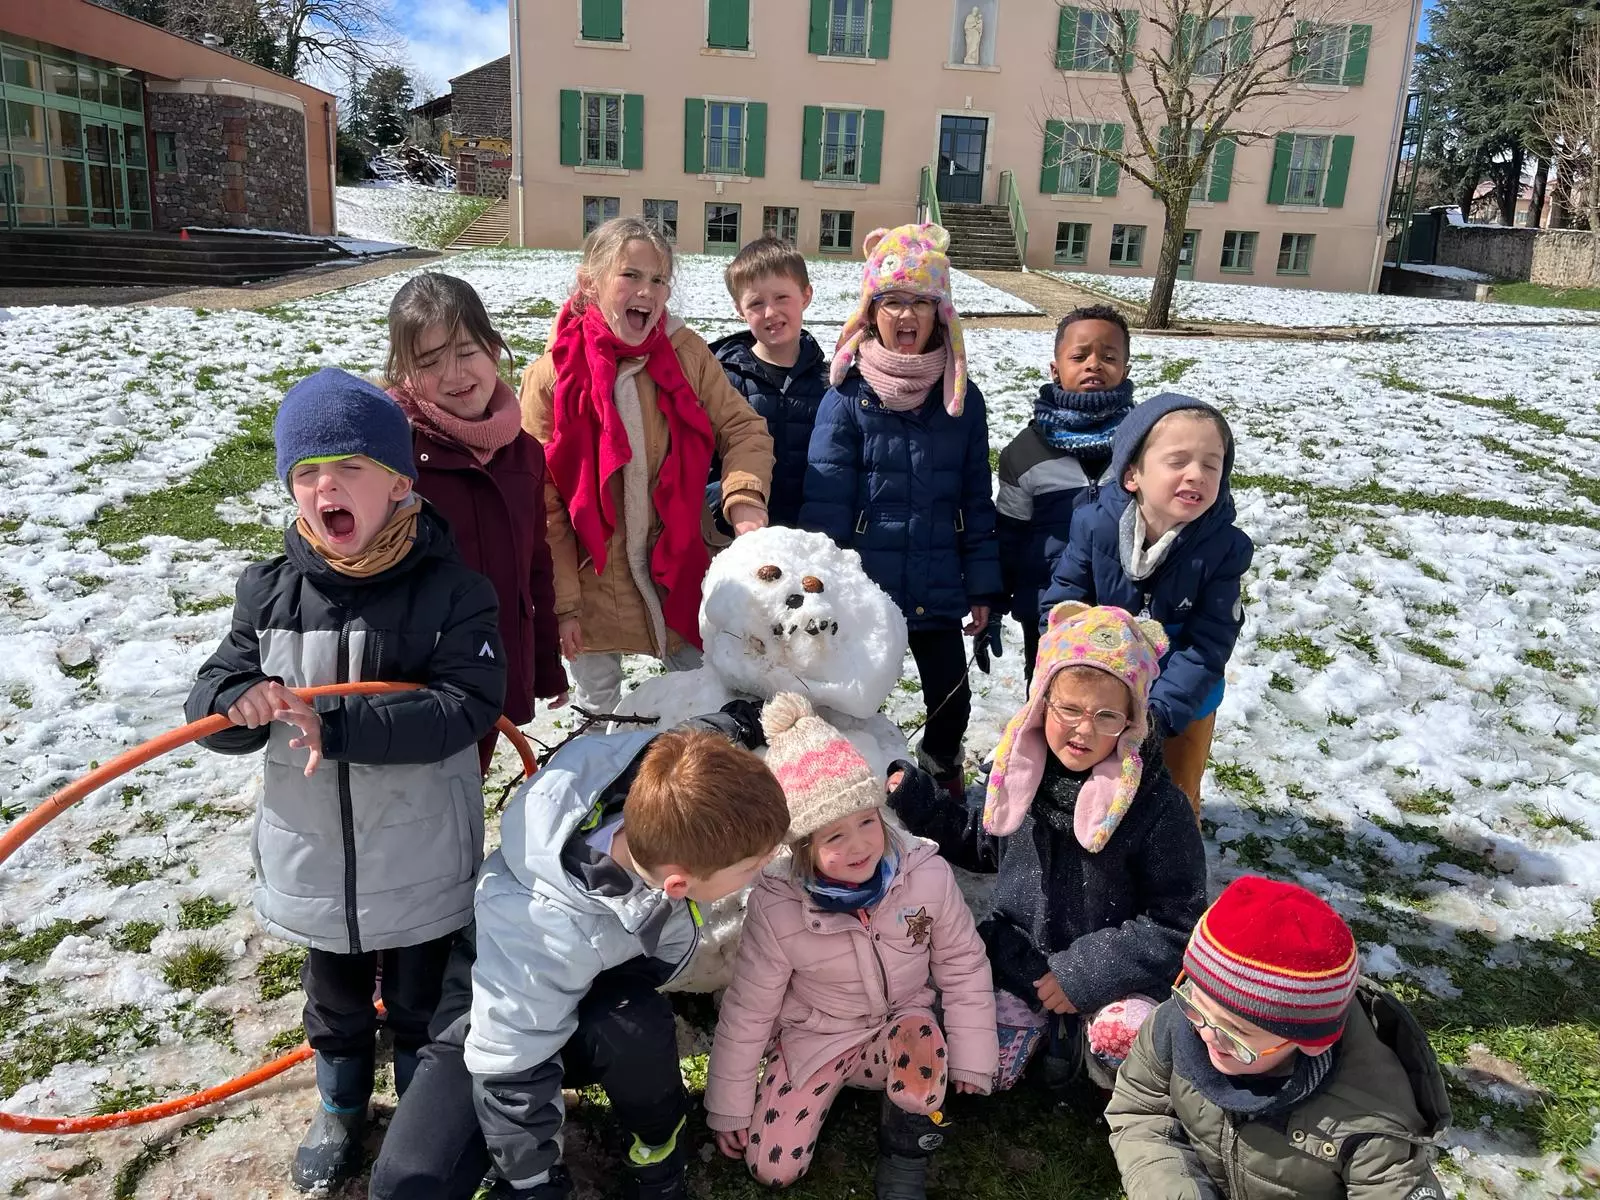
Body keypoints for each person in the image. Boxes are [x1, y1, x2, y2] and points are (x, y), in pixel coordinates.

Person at [184, 368, 506, 1191]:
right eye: (306, 472)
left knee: (417, 998)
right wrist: (237, 700)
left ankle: (422, 1105)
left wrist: (337, 724)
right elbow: (209, 700)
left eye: (350, 467)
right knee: (332, 999)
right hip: (315, 852)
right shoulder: (268, 592)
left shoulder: (454, 592)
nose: (326, 486)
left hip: (420, 847)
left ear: (400, 482)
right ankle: (339, 1099)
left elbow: (465, 707)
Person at [367, 705, 791, 1200]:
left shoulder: (654, 778)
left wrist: (738, 720)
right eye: (749, 869)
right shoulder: (540, 932)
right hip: (498, 1025)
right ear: (677, 886)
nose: (761, 876)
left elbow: (689, 748)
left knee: (633, 1024)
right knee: (409, 1185)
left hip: (594, 991)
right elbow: (511, 1070)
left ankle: (657, 1153)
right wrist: (533, 1182)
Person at [890, 603, 1206, 1097]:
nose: (1083, 730)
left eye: (1106, 716)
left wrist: (1082, 974)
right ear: (1042, 705)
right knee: (977, 1067)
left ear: (1132, 722)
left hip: (1114, 976)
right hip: (1021, 961)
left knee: (1127, 1041)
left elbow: (1176, 921)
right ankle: (1041, 1037)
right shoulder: (1022, 779)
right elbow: (983, 842)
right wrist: (917, 800)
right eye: (1070, 710)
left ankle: (1091, 1056)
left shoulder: (1159, 808)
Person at [704, 693, 997, 1199]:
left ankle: (905, 1149)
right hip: (815, 1040)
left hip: (901, 1030)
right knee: (773, 1169)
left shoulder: (923, 875)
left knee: (921, 1048)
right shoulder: (778, 908)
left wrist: (974, 1054)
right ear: (802, 847)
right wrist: (728, 1103)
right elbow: (749, 1008)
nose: (859, 845)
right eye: (834, 836)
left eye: (866, 821)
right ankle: (808, 1094)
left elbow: (962, 963)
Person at [523, 215, 775, 714]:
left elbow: (743, 427)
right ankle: (604, 790)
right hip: (591, 584)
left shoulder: (686, 354)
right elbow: (544, 504)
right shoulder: (552, 375)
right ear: (589, 283)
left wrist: (743, 497)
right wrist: (565, 607)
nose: (648, 290)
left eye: (659, 279)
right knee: (597, 712)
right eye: (631, 276)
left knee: (710, 698)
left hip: (679, 567)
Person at [802, 223, 1000, 799]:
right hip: (866, 587)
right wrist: (824, 584)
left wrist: (981, 587)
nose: (906, 316)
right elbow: (827, 497)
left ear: (941, 313)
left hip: (937, 585)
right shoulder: (846, 395)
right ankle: (850, 781)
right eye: (892, 302)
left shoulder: (962, 398)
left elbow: (973, 497)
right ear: (871, 311)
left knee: (950, 699)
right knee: (853, 695)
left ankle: (940, 769)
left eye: (920, 302)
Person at [1107, 876, 1451, 1200]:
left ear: (1310, 1041)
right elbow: (1141, 1109)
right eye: (1196, 1005)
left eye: (1237, 1033)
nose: (1208, 1035)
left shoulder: (1369, 1117)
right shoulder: (1175, 1024)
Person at [384, 272, 567, 775]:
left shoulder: (524, 452)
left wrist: (545, 663)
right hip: (418, 678)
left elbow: (535, 562)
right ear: (404, 371)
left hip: (493, 664)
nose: (453, 373)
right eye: (429, 361)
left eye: (465, 351)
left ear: (493, 347)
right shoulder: (394, 453)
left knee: (467, 789)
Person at [1040, 393, 1253, 814]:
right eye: (1178, 462)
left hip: (1182, 702)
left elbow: (1208, 644)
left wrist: (1157, 715)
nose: (1196, 474)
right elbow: (1063, 602)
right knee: (1092, 792)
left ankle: (1174, 870)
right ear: (1132, 473)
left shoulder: (1223, 549)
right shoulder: (1095, 525)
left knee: (1172, 794)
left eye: (1211, 464)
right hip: (1099, 695)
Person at [996, 305, 1135, 689]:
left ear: (1125, 368)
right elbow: (1009, 536)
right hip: (1048, 607)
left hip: (1124, 608)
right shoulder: (1024, 453)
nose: (1094, 364)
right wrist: (995, 599)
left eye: (1109, 356)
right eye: (1079, 356)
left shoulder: (1144, 445)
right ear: (1055, 368)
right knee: (1049, 697)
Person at [706, 237, 828, 535]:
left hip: (810, 542)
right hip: (739, 539)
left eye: (782, 298)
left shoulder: (830, 384)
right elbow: (704, 467)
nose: (770, 312)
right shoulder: (722, 381)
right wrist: (727, 508)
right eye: (756, 303)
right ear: (739, 309)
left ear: (806, 295)